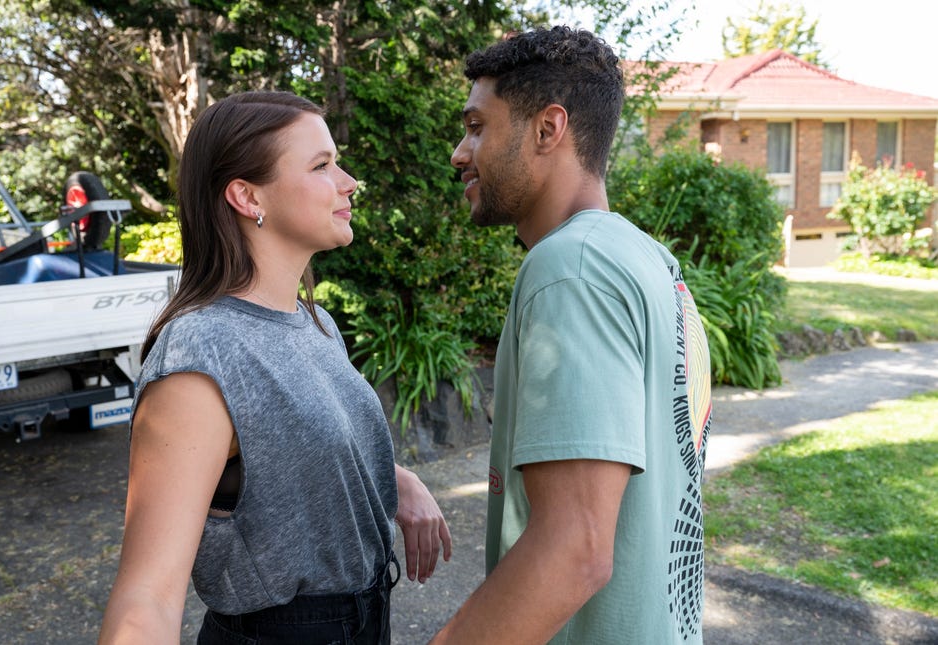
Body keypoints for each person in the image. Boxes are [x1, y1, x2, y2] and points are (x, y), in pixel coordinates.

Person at [98, 91, 452, 645]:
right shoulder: (200, 353)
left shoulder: (318, 323)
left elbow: (294, 445)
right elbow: (147, 596)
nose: (349, 181)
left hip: (367, 623)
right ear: (245, 195)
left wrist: (394, 480)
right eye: (321, 165)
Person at [434, 26, 712, 644]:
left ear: (547, 129)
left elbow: (577, 548)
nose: (459, 151)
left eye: (477, 126)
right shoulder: (648, 260)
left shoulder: (572, 271)